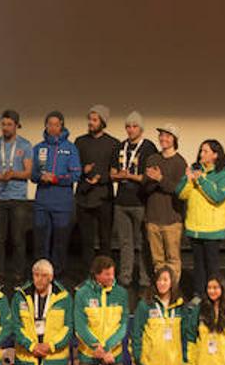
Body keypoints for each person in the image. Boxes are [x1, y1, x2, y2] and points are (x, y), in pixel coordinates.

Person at [178, 139, 225, 299]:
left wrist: (200, 179)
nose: (201, 154)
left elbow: (217, 197)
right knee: (198, 266)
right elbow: (181, 193)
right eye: (201, 150)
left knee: (212, 267)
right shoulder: (196, 169)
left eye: (205, 151)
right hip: (195, 228)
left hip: (212, 230)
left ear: (215, 155)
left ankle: (214, 297)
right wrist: (188, 179)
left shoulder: (224, 174)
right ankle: (198, 295)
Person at [31, 111, 82, 280]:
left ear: (61, 126)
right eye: (49, 124)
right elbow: (32, 174)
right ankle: (40, 274)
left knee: (60, 242)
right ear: (46, 126)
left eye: (56, 124)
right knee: (41, 242)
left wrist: (56, 179)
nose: (53, 127)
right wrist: (41, 177)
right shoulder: (38, 148)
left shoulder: (71, 148)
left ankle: (58, 275)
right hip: (42, 203)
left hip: (63, 204)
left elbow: (76, 175)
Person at [0, 109, 32, 288]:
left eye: (9, 124)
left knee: (18, 238)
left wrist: (14, 174)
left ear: (16, 125)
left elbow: (28, 172)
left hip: (18, 198)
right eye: (3, 124)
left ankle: (19, 274)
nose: (5, 128)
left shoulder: (25, 145)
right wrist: (0, 176)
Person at [111, 112, 157, 289]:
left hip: (141, 202)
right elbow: (112, 173)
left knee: (143, 243)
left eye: (134, 126)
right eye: (128, 126)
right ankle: (125, 277)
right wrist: (119, 176)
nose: (131, 130)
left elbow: (149, 176)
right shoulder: (120, 146)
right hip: (121, 202)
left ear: (141, 128)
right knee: (125, 243)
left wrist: (129, 175)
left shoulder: (148, 147)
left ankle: (145, 279)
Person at [142, 124, 188, 290]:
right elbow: (145, 188)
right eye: (161, 135)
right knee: (157, 259)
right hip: (153, 218)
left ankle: (173, 290)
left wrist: (160, 178)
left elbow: (178, 190)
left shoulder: (180, 162)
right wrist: (150, 180)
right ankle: (161, 289)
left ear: (174, 139)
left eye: (167, 136)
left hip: (172, 219)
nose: (163, 139)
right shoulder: (153, 159)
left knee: (173, 258)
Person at [74, 105, 119, 268]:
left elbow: (116, 172)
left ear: (103, 122)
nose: (91, 123)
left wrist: (101, 178)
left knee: (105, 240)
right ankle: (88, 275)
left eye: (94, 120)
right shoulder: (80, 142)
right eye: (90, 119)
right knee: (86, 240)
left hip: (104, 198)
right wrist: (82, 171)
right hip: (83, 197)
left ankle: (106, 274)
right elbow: (72, 169)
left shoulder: (113, 143)